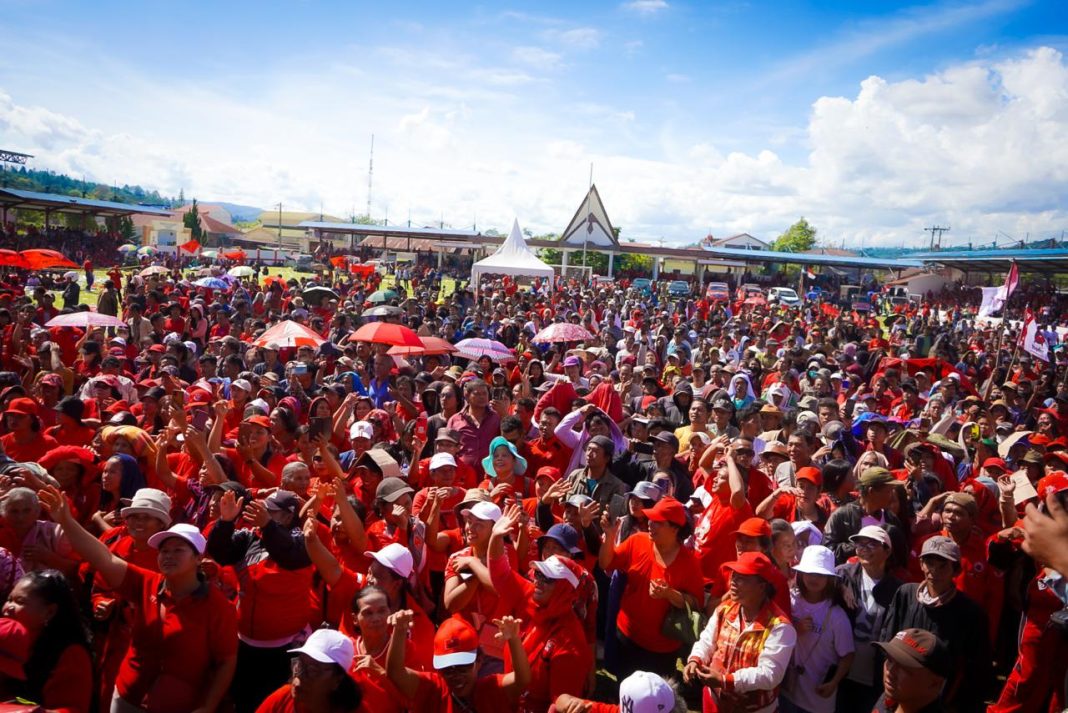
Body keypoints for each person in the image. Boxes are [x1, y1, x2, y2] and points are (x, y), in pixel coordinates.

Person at [36, 485, 238, 713]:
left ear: (198, 558)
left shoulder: (218, 606)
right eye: (164, 551)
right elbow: (103, 558)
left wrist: (207, 707)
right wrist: (66, 521)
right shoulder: (145, 583)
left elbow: (226, 662)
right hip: (127, 697)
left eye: (178, 550)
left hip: (179, 705)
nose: (168, 556)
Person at [207, 489, 314, 713]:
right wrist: (225, 523)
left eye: (270, 512)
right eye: (263, 510)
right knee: (244, 702)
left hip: (286, 647)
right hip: (245, 642)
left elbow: (290, 554)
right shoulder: (250, 538)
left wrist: (268, 526)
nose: (262, 515)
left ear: (287, 516)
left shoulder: (303, 540)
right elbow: (219, 552)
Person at [878, 536, 991, 713]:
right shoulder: (906, 594)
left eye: (943, 565)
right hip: (898, 694)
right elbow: (888, 641)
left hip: (938, 702)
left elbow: (975, 668)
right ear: (921, 564)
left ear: (956, 570)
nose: (934, 571)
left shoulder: (970, 613)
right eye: (929, 563)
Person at [599, 497, 704, 680]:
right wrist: (609, 536)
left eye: (657, 522)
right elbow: (605, 563)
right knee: (625, 691)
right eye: (650, 520)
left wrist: (670, 594)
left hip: (661, 649)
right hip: (626, 635)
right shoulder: (637, 541)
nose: (650, 525)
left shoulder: (689, 564)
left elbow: (696, 604)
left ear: (675, 529)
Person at [685, 551, 797, 713]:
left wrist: (726, 680)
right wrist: (695, 659)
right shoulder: (725, 609)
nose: (733, 582)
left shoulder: (780, 627)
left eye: (742, 578)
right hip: (714, 701)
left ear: (761, 586)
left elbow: (770, 674)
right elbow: (707, 641)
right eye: (734, 575)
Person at [385, 610, 530, 713]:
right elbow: (395, 673)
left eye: (463, 667)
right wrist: (399, 631)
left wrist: (514, 640)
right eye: (447, 669)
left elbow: (522, 679)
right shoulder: (434, 689)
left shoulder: (491, 689)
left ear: (479, 661)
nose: (455, 675)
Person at [2, 569, 93, 713]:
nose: (8, 608)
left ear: (49, 612)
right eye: (9, 599)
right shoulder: (5, 636)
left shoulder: (70, 653)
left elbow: (73, 709)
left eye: (20, 601)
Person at [835, 525, 903, 712]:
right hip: (840, 673)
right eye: (859, 544)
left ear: (887, 551)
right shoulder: (844, 574)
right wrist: (840, 586)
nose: (863, 548)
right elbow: (820, 581)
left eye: (872, 544)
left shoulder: (897, 590)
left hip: (873, 676)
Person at [779, 545, 854, 713]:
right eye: (810, 572)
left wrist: (834, 682)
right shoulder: (790, 601)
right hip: (786, 693)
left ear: (829, 579)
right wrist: (794, 630)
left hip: (817, 703)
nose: (815, 578)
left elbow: (847, 654)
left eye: (821, 574)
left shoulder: (836, 616)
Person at [256, 628, 363, 713]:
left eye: (313, 671)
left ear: (337, 680)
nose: (300, 676)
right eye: (299, 665)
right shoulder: (282, 698)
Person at [872, 628, 952, 713]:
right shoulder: (890, 698)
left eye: (903, 666)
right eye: (889, 659)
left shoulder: (898, 693)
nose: (890, 671)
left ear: (934, 683)